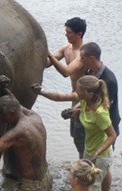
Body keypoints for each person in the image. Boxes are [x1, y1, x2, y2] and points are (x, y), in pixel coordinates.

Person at [32, 75, 117, 191]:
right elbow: (60, 97)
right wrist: (41, 92)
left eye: (79, 90)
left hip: (101, 155)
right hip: (89, 151)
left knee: (94, 189)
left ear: (89, 93)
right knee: (85, 183)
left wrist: (97, 152)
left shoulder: (100, 113)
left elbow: (112, 135)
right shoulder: (83, 101)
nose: (76, 92)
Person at [80, 42, 121, 191]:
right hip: (92, 123)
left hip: (106, 125)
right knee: (99, 167)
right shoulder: (89, 71)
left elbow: (105, 108)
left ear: (91, 58)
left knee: (103, 165)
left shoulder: (109, 79)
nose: (80, 60)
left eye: (82, 57)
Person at [46, 17, 87, 157]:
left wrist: (49, 54)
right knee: (75, 133)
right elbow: (47, 63)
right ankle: (82, 161)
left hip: (85, 98)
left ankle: (83, 164)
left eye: (69, 32)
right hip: (74, 96)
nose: (66, 34)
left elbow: (66, 72)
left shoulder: (83, 54)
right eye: (66, 31)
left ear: (79, 34)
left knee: (82, 134)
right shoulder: (66, 48)